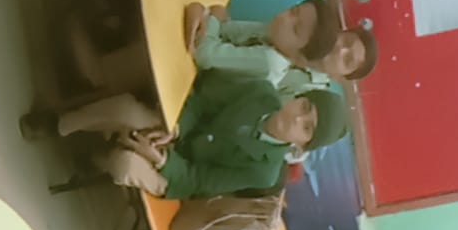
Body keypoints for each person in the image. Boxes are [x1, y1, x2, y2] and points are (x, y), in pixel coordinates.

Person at [54, 72, 348, 197]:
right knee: (126, 109)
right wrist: (176, 127)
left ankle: (98, 160)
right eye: (305, 107)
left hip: (178, 173)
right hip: (175, 130)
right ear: (298, 97)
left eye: (306, 127)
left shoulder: (264, 172)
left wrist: (161, 160)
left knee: (125, 164)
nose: (296, 118)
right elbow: (201, 101)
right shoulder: (261, 92)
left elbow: (199, 180)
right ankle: (59, 125)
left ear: (302, 145)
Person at [185, 0, 377, 87]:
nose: (340, 50)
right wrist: (212, 17)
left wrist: (208, 14)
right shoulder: (279, 35)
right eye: (293, 11)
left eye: (347, 60)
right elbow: (226, 29)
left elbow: (205, 54)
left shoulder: (274, 62)